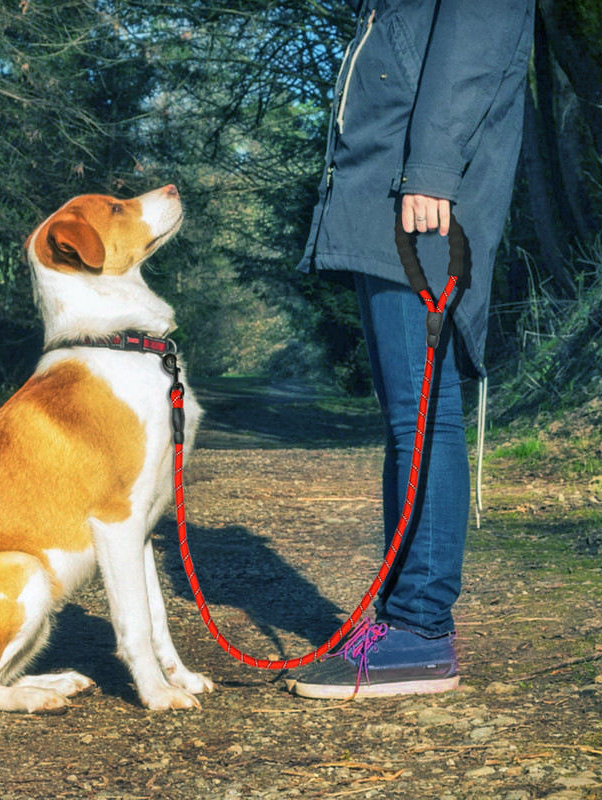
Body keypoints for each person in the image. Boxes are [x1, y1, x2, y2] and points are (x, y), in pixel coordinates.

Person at [287, 0, 535, 698]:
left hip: (418, 197)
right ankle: (402, 621)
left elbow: (478, 40)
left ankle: (421, 631)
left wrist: (431, 168)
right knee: (410, 418)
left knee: (423, 417)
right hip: (388, 194)